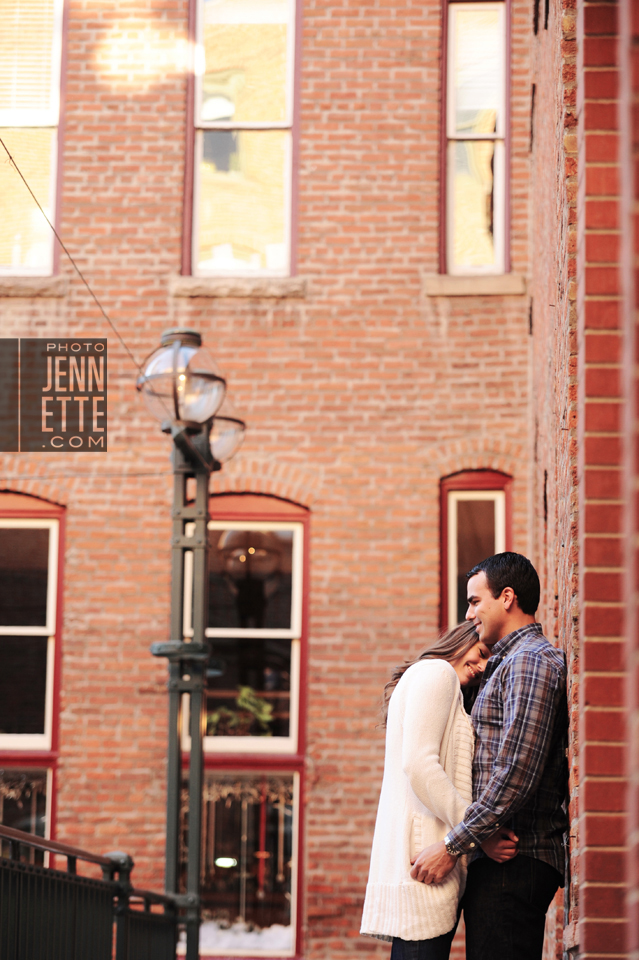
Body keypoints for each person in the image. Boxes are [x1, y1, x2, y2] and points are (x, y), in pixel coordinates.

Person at [410, 553, 568, 960]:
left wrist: (452, 845)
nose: (469, 613)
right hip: (499, 859)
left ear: (508, 597)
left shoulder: (528, 661)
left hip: (517, 858)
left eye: (475, 601)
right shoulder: (505, 665)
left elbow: (516, 770)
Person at [360, 622, 515, 959]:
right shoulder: (437, 673)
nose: (482, 667)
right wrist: (479, 834)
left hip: (420, 867)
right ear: (463, 640)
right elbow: (420, 765)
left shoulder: (434, 681)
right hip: (424, 866)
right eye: (482, 653)